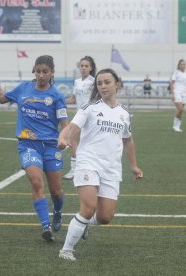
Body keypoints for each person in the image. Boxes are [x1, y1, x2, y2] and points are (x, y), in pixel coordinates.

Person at [0, 55, 68, 241]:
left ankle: (58, 212)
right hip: (28, 145)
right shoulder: (23, 89)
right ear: (34, 70)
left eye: (45, 71)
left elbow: (65, 124)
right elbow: (2, 99)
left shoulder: (56, 96)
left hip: (51, 146)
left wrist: (64, 138)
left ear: (52, 73)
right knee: (36, 182)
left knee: (56, 191)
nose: (41, 75)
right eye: (38, 70)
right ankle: (45, 226)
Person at [57, 68, 143, 261]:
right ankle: (66, 250)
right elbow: (73, 127)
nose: (103, 86)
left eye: (107, 82)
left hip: (111, 168)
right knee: (88, 207)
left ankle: (84, 224)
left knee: (105, 217)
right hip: (88, 162)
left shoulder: (124, 114)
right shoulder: (90, 108)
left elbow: (128, 140)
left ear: (117, 84)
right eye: (99, 83)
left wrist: (134, 166)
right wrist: (63, 137)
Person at [63, 56, 97, 180]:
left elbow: (97, 99)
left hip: (91, 117)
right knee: (73, 142)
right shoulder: (77, 82)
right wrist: (58, 102)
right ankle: (73, 170)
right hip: (79, 116)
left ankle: (92, 169)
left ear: (91, 68)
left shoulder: (94, 82)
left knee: (90, 144)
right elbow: (73, 99)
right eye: (81, 66)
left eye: (86, 66)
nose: (83, 68)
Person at [170, 59, 186, 132]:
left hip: (184, 93)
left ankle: (177, 126)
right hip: (177, 92)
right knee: (180, 109)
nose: (183, 65)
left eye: (184, 64)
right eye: (181, 64)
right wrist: (172, 94)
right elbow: (171, 83)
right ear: (179, 65)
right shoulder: (176, 73)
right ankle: (175, 126)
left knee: (181, 110)